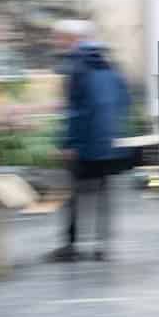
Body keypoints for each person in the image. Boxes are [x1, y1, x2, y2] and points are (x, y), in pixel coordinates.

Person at [50, 21, 130, 262]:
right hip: (106, 142)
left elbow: (75, 110)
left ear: (72, 39)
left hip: (83, 144)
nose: (56, 43)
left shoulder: (76, 66)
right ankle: (101, 245)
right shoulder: (110, 65)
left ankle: (71, 246)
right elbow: (124, 100)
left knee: (73, 195)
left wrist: (68, 143)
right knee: (103, 194)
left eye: (59, 38)